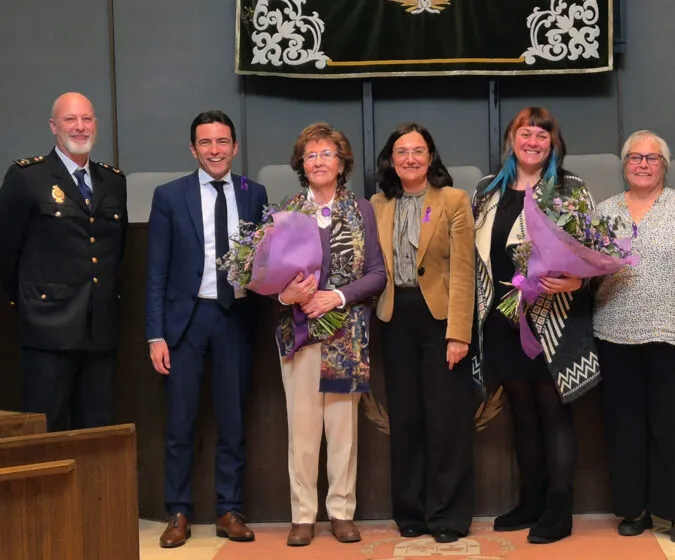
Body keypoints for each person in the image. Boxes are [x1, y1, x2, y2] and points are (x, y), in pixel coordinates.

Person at [472, 106, 596, 544]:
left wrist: (576, 279)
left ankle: (559, 509)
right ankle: (530, 501)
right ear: (512, 138)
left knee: (554, 411)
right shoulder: (487, 190)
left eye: (542, 135)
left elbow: (592, 250)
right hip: (503, 319)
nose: (533, 142)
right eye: (525, 133)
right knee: (521, 412)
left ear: (553, 143)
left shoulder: (571, 188)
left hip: (555, 318)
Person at [593, 130, 675, 543]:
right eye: (635, 157)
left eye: (652, 158)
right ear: (624, 164)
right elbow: (588, 270)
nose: (643, 164)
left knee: (674, 427)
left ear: (664, 165)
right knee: (624, 427)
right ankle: (635, 509)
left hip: (674, 334)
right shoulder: (605, 211)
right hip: (614, 332)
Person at [145, 110, 267, 548]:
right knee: (180, 422)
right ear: (193, 149)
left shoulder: (255, 192)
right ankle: (177, 511)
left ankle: (229, 509)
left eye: (222, 142)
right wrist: (155, 334)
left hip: (235, 317)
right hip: (186, 322)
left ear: (234, 147)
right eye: (205, 143)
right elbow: (155, 271)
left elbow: (267, 258)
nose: (214, 150)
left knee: (233, 420)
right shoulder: (169, 196)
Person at [276, 122, 386, 547]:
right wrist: (285, 294)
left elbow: (377, 275)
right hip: (300, 332)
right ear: (301, 165)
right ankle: (302, 515)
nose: (319, 161)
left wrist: (336, 296)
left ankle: (341, 511)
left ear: (342, 164)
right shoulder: (286, 211)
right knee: (301, 429)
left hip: (347, 334)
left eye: (327, 154)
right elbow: (266, 278)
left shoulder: (362, 210)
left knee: (343, 430)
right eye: (311, 155)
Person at [371, 123, 475, 543]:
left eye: (418, 150)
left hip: (441, 320)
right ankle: (410, 512)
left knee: (446, 421)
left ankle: (448, 515)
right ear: (390, 161)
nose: (410, 158)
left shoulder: (453, 200)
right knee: (407, 419)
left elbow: (465, 270)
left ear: (431, 157)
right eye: (401, 152)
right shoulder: (377, 204)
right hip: (395, 318)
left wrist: (459, 332)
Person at [0, 92, 127, 432]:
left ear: (96, 125)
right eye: (71, 120)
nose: (80, 127)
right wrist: (32, 304)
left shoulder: (113, 181)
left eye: (86, 119)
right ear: (54, 126)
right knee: (48, 433)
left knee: (98, 435)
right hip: (48, 331)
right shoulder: (27, 177)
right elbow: (6, 253)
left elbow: (118, 251)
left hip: (99, 332)